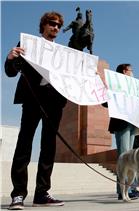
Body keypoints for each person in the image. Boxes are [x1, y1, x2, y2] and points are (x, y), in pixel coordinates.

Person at [5, 11, 67, 210]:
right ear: (43, 25)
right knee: (24, 144)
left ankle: (42, 193)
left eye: (58, 25)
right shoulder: (28, 44)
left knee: (49, 147)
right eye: (52, 23)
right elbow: (10, 72)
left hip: (54, 103)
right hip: (32, 99)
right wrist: (10, 58)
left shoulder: (63, 53)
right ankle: (18, 194)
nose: (55, 27)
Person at [103, 63, 139, 199]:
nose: (132, 72)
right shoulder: (115, 85)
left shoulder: (133, 87)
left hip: (132, 123)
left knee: (130, 157)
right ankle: (123, 191)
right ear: (125, 71)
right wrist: (108, 93)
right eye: (131, 70)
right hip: (121, 124)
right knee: (124, 157)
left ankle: (130, 188)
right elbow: (104, 102)